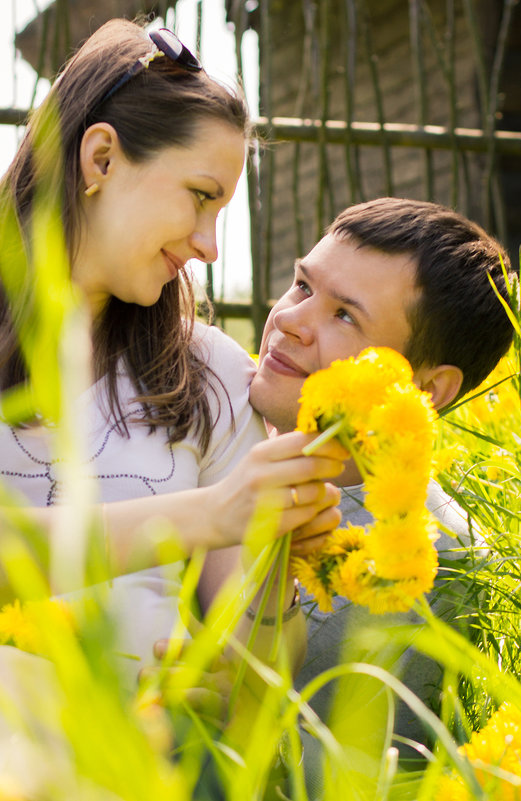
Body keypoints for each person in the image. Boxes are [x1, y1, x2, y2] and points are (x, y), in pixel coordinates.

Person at [0, 17, 347, 698]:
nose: (210, 246)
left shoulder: (210, 373)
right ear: (100, 159)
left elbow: (259, 660)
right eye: (200, 197)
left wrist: (233, 679)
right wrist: (209, 512)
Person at [244, 196, 518, 794]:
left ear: (426, 386)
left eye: (345, 316)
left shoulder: (433, 565)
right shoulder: (196, 413)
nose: (290, 318)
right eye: (300, 285)